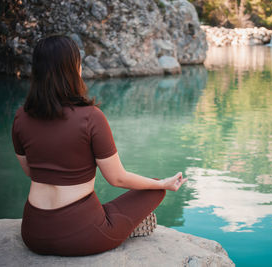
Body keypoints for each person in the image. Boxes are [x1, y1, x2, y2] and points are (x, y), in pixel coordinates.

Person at [11, 35, 187, 256]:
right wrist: (164, 183)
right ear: (74, 69)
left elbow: (30, 171)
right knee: (154, 188)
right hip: (82, 236)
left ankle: (106, 219)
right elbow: (117, 179)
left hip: (33, 234)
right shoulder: (91, 117)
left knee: (104, 208)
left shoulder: (21, 117)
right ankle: (124, 226)